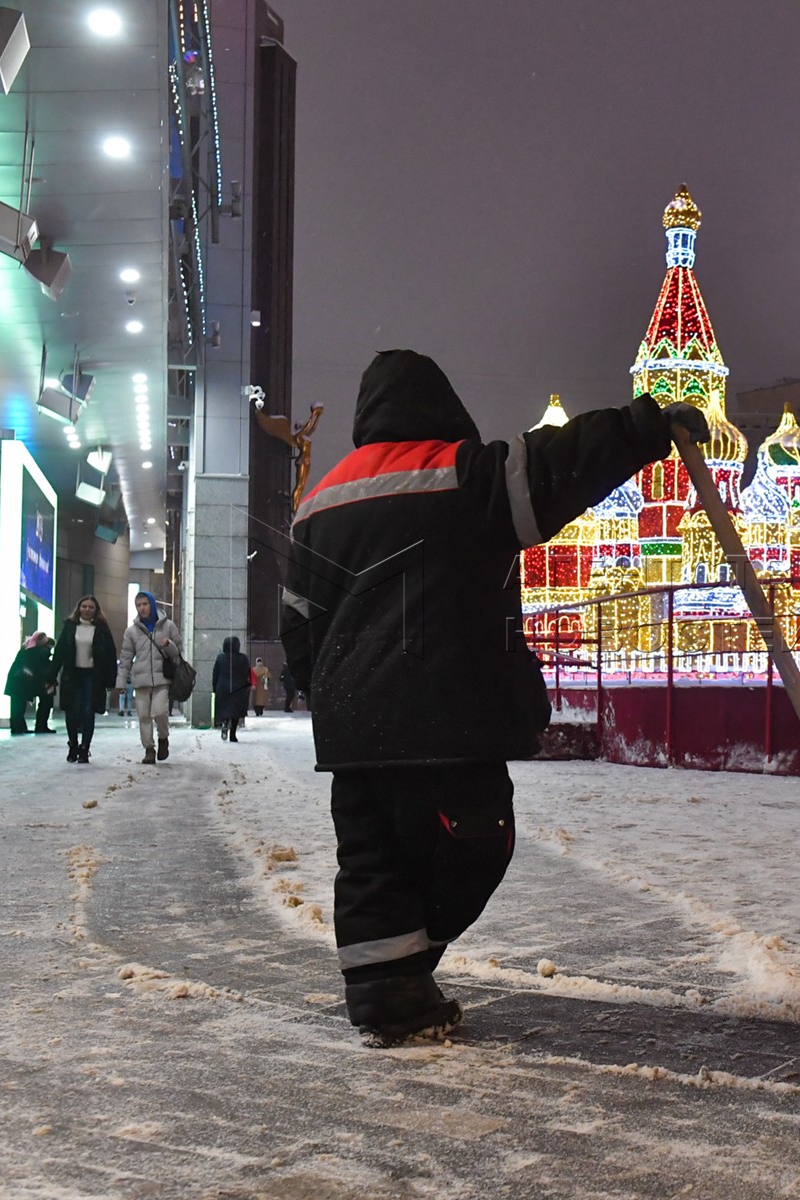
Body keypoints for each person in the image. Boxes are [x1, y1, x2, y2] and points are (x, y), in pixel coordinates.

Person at [280, 349, 708, 1046]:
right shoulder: (464, 473)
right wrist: (646, 426)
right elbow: (559, 464)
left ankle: (390, 992)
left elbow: (297, 622)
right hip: (447, 714)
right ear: (443, 406)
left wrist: (326, 691)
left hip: (354, 729)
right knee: (476, 838)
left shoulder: (319, 502)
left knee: (371, 858)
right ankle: (401, 974)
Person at [51, 596, 118, 764]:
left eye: (91, 607)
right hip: (72, 675)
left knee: (88, 711)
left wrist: (110, 680)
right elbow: (59, 652)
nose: (87, 610)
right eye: (84, 606)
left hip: (92, 676)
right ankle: (73, 744)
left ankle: (84, 748)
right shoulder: (70, 627)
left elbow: (110, 655)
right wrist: (51, 676)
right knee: (71, 711)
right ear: (79, 608)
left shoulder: (102, 630)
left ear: (96, 610)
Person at [119, 591, 183, 765]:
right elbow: (125, 658)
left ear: (152, 604)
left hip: (162, 678)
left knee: (160, 712)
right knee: (143, 716)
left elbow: (178, 652)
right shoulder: (131, 631)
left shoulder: (168, 626)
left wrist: (168, 644)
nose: (142, 608)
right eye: (138, 605)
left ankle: (163, 738)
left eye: (145, 604)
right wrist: (121, 682)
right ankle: (149, 749)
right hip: (140, 680)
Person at [4, 632, 56, 735]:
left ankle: (18, 727)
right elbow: (41, 669)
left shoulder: (27, 650)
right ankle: (33, 727)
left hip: (19, 681)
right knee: (22, 705)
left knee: (18, 705)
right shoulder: (38, 652)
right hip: (23, 681)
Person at [211, 636, 253, 742]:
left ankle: (224, 724)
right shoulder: (243, 658)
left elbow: (215, 673)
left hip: (223, 687)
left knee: (224, 709)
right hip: (238, 688)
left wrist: (215, 688)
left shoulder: (220, 657)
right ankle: (233, 734)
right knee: (236, 712)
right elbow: (247, 674)